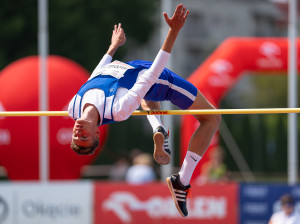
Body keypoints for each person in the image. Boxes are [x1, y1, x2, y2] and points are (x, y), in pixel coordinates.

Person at [68, 4, 220, 217]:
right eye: (84, 136)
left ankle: (158, 127)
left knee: (142, 99)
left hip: (132, 69)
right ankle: (182, 181)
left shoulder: (73, 107)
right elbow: (151, 75)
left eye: (76, 136)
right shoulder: (118, 109)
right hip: (158, 80)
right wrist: (173, 31)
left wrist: (112, 48)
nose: (78, 132)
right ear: (96, 133)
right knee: (212, 118)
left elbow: (94, 77)